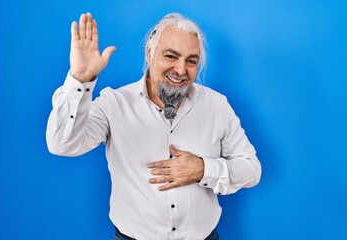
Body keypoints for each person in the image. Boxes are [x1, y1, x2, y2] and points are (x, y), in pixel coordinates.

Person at [46, 12, 261, 240]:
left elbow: (251, 170)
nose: (180, 69)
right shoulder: (114, 103)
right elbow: (62, 145)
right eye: (171, 56)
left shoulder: (217, 105)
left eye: (191, 61)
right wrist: (80, 79)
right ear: (149, 53)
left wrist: (203, 169)